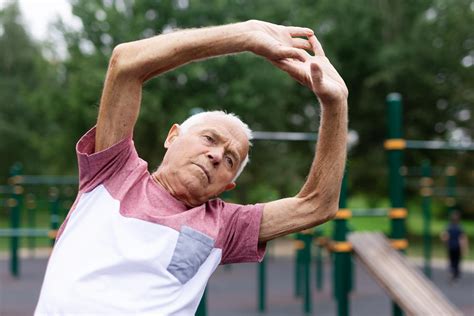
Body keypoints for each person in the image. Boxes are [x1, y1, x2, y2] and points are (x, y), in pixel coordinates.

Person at [35, 20, 348, 315]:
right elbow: (125, 63)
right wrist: (245, 35)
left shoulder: (225, 224)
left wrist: (336, 103)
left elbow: (316, 205)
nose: (215, 155)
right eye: (209, 139)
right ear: (173, 137)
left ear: (228, 186)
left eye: (230, 160)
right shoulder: (113, 171)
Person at [440, 211, 469, 282]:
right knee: (457, 260)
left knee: (452, 260)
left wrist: (445, 242)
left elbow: (444, 236)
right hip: (457, 247)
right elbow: (462, 238)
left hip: (451, 246)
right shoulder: (460, 227)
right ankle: (455, 273)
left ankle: (452, 271)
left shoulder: (449, 226)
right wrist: (464, 248)